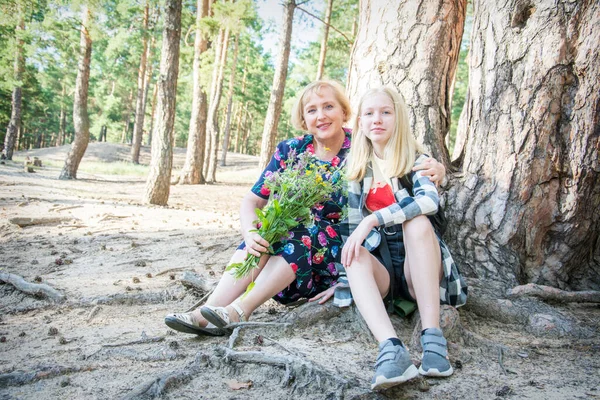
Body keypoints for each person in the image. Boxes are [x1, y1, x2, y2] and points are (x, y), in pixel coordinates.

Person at [164, 81, 447, 337]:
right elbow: (252, 201)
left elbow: (400, 156)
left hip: (340, 257)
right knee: (268, 229)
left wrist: (439, 169)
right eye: (311, 110)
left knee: (307, 229)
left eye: (328, 107)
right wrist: (251, 233)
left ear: (344, 112)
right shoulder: (291, 151)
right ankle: (208, 312)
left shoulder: (359, 148)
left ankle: (238, 310)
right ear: (303, 119)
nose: (321, 115)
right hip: (288, 258)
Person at [340, 87, 467, 390]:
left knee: (418, 223)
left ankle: (433, 338)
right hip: (382, 268)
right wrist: (345, 281)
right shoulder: (358, 166)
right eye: (369, 114)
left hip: (418, 266)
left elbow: (428, 202)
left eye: (385, 112)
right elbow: (351, 231)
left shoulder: (417, 160)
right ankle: (392, 348)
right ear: (360, 122)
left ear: (399, 117)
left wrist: (374, 218)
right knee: (355, 251)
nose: (377, 120)